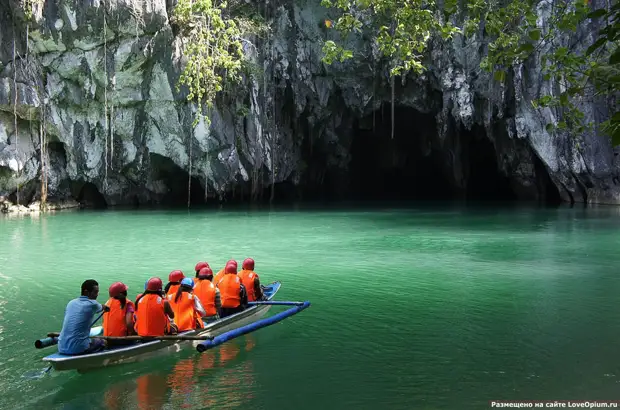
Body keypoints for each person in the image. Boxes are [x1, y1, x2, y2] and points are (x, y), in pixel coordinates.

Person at [58, 279, 110, 355]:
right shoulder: (93, 304)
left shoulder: (71, 303)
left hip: (61, 347)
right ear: (86, 292)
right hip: (78, 348)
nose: (97, 294)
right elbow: (102, 307)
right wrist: (107, 308)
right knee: (104, 342)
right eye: (95, 292)